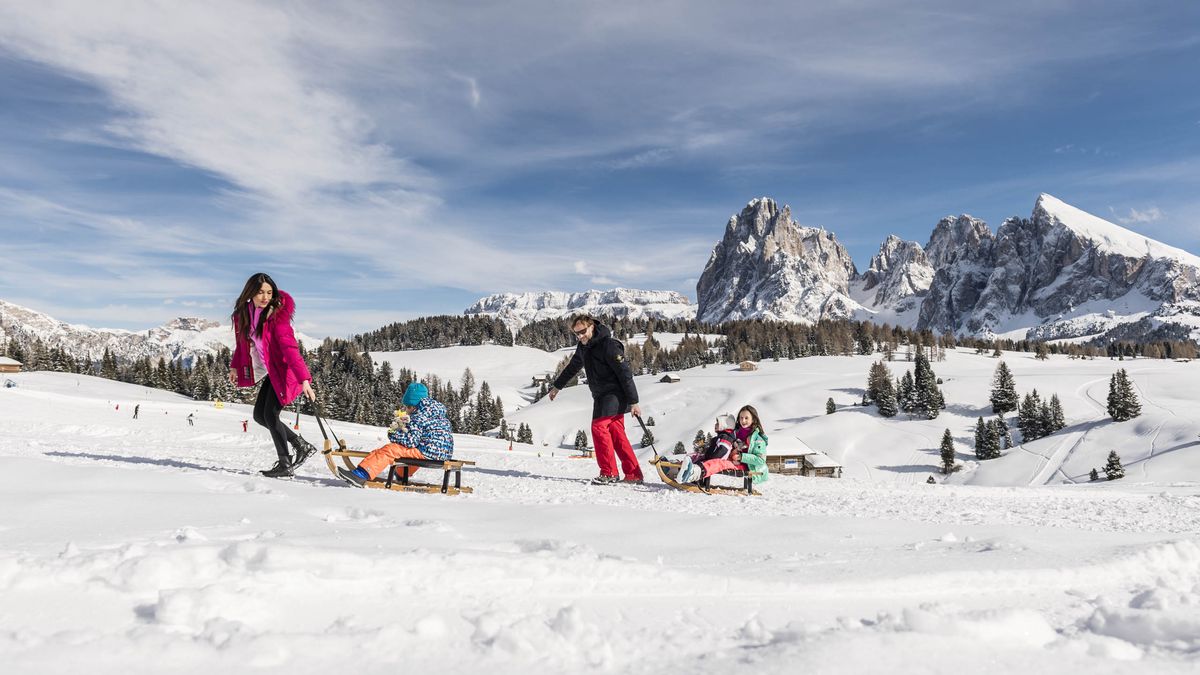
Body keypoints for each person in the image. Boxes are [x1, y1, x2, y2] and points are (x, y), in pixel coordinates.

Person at [228, 273, 318, 478]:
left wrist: (305, 380)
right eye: (260, 292)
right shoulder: (246, 314)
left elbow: (291, 350)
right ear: (250, 293)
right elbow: (242, 345)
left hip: (287, 372)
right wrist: (235, 367)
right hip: (271, 371)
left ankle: (285, 464)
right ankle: (300, 445)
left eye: (269, 292)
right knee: (259, 416)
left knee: (270, 415)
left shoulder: (277, 318)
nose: (265, 297)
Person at [547, 314, 643, 485]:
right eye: (576, 334)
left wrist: (634, 401)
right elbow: (573, 367)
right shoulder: (583, 347)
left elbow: (625, 374)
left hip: (614, 394)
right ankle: (633, 474)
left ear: (591, 327)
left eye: (582, 332)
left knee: (598, 427)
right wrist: (557, 386)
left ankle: (609, 473)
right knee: (616, 434)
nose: (580, 336)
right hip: (600, 396)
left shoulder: (609, 346)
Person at [337, 383, 454, 488]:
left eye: (408, 406)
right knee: (410, 452)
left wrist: (394, 433)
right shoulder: (436, 414)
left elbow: (410, 442)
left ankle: (361, 475)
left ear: (414, 406)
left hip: (428, 452)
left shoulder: (418, 416)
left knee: (391, 449)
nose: (406, 410)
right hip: (444, 454)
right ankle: (401, 474)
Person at [676, 406, 769, 484]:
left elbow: (760, 460)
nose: (743, 420)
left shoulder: (758, 440)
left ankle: (693, 474)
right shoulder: (736, 432)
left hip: (749, 467)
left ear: (753, 419)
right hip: (733, 460)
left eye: (746, 418)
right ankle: (681, 468)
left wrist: (742, 457)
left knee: (718, 463)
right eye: (741, 417)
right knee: (703, 457)